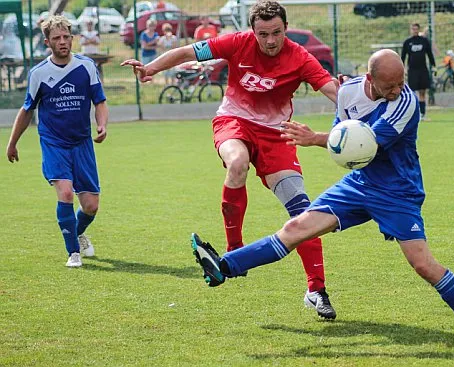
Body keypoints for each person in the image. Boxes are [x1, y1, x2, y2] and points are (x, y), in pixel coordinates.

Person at [191, 49, 454, 350]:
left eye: (400, 82)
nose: (397, 90)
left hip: (397, 192)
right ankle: (224, 267)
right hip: (358, 184)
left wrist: (315, 139)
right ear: (369, 78)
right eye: (389, 85)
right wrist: (331, 140)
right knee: (297, 228)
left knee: (423, 264)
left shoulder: (405, 103)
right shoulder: (348, 92)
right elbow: (345, 140)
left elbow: (363, 145)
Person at [121, 0, 340, 319]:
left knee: (304, 214)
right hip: (233, 122)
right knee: (236, 163)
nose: (270, 41)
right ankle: (235, 247)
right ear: (252, 31)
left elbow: (333, 90)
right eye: (263, 34)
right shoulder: (237, 43)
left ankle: (316, 290)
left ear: (285, 29)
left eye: (276, 33)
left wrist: (359, 107)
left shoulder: (299, 57)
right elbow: (187, 52)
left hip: (277, 135)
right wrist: (151, 68)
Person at [5, 15, 108, 267]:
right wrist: (12, 142)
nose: (62, 42)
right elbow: (27, 110)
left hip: (82, 142)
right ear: (47, 43)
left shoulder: (86, 66)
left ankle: (78, 231)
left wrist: (102, 123)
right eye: (56, 39)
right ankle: (73, 252)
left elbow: (100, 101)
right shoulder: (38, 73)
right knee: (64, 193)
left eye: (66, 37)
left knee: (91, 206)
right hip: (53, 143)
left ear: (72, 38)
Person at [401, 23, 435, 121]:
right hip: (412, 70)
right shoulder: (407, 42)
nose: (415, 31)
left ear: (418, 30)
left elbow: (429, 54)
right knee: (412, 93)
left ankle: (422, 114)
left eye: (416, 29)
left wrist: (433, 65)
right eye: (413, 29)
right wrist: (402, 69)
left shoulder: (424, 41)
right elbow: (403, 57)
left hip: (423, 70)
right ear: (411, 30)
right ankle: (413, 115)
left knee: (422, 92)